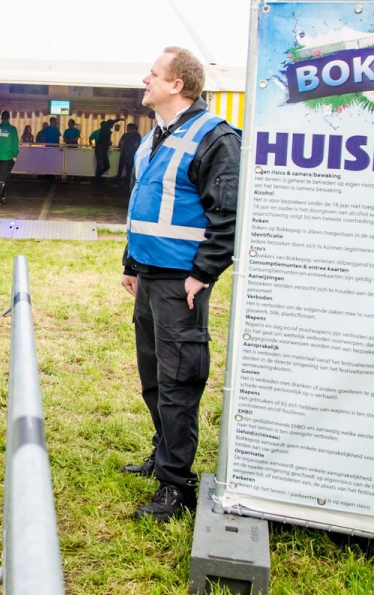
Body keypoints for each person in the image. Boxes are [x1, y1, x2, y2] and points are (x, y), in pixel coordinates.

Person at [120, 46, 240, 521]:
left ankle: (177, 486)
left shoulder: (215, 137)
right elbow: (143, 203)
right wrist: (131, 263)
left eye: (153, 74)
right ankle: (163, 454)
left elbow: (228, 214)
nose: (144, 80)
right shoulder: (156, 136)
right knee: (154, 378)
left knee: (178, 383)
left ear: (177, 84)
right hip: (150, 276)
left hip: (181, 284)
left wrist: (203, 273)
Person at [93, 117, 124, 185]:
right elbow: (110, 122)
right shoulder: (105, 128)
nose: (113, 126)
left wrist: (108, 143)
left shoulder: (105, 129)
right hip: (101, 148)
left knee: (105, 165)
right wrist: (119, 119)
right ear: (110, 124)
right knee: (102, 165)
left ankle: (97, 178)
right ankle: (97, 179)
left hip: (102, 148)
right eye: (112, 124)